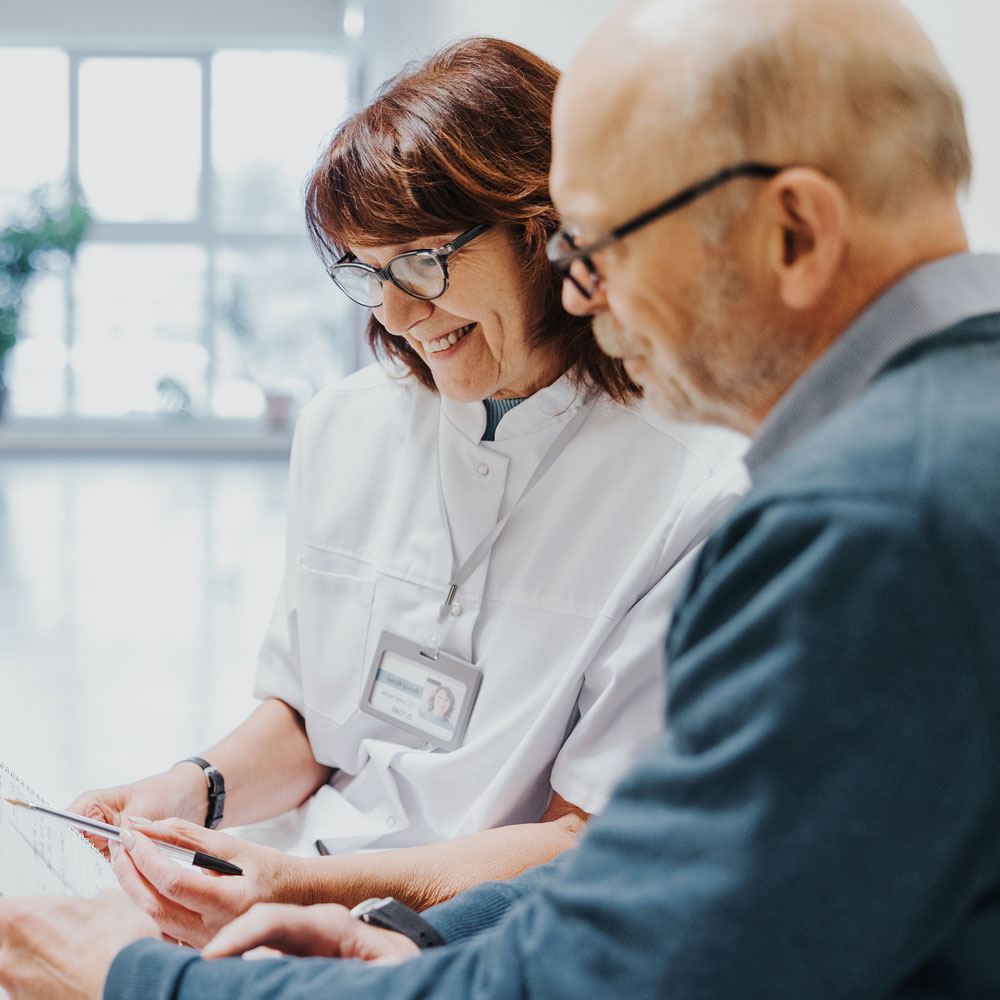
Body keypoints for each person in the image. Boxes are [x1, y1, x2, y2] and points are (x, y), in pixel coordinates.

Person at [5, 0, 1000, 995]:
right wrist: (418, 935)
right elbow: (663, 893)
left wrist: (135, 977)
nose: (582, 293)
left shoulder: (869, 518)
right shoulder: (929, 455)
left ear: (792, 230)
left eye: (598, 242)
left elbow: (606, 959)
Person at [60, 35, 747, 948]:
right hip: (286, 875)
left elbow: (588, 839)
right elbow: (309, 719)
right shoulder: (346, 426)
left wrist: (305, 889)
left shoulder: (693, 489)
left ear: (543, 229)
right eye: (367, 271)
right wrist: (193, 790)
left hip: (469, 938)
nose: (394, 315)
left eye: (422, 261)